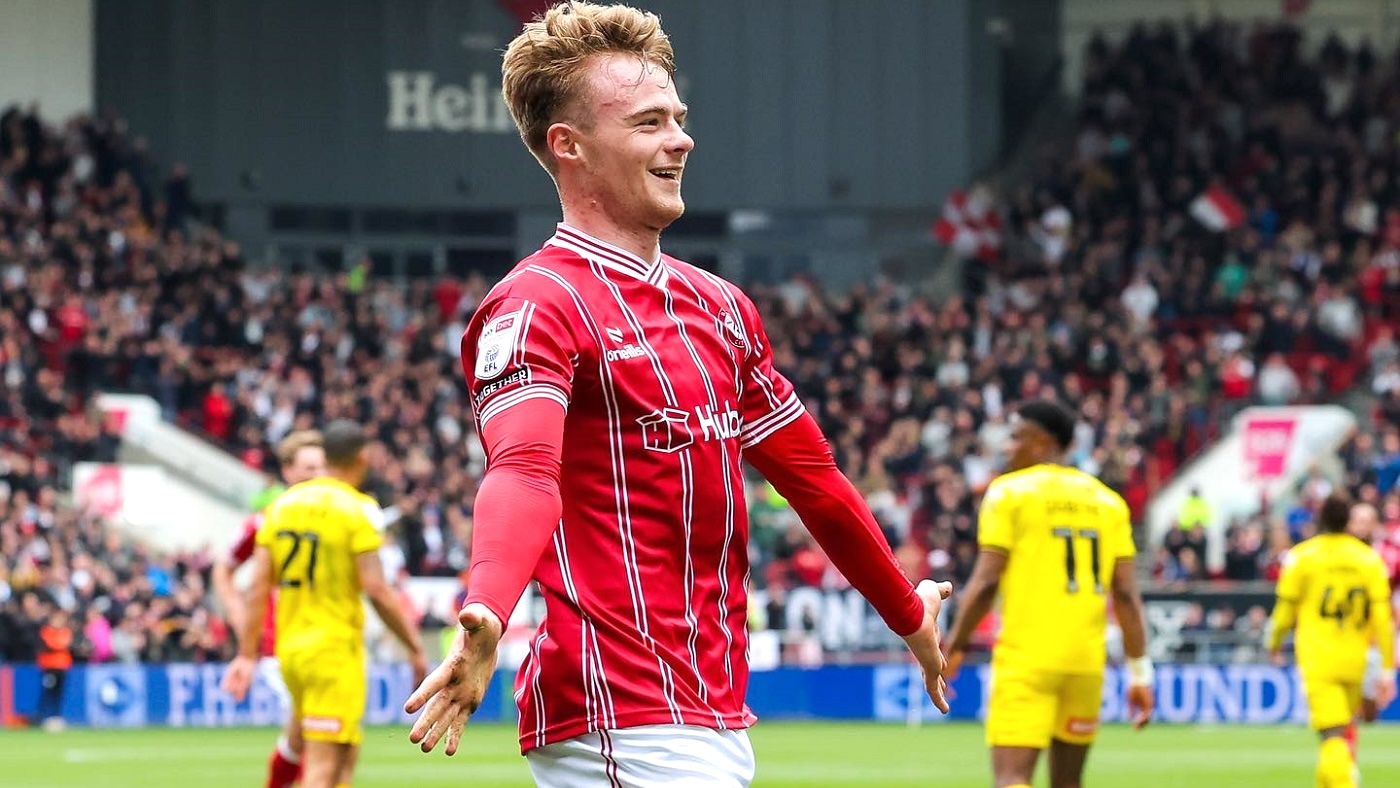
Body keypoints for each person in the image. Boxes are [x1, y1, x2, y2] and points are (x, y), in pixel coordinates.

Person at [403, 3, 953, 784]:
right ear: (569, 145)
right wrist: (488, 608)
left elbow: (815, 481)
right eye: (649, 122)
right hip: (617, 709)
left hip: (710, 709)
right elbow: (523, 470)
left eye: (679, 119)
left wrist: (906, 612)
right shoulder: (536, 304)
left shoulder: (721, 308)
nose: (681, 139)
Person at [944, 400, 1154, 788]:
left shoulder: (1009, 493)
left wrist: (953, 645)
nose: (1007, 447)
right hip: (1085, 663)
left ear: (1042, 442)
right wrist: (1140, 673)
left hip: (1027, 660)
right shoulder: (1108, 502)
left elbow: (987, 582)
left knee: (1012, 779)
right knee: (1069, 783)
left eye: (1015, 437)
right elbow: (1125, 594)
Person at [223, 420, 429, 788]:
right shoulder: (358, 509)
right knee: (321, 768)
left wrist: (246, 653)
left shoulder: (280, 508)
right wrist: (414, 647)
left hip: (291, 650)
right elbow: (376, 589)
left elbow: (258, 587)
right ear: (362, 458)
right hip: (332, 652)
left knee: (343, 757)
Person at [211, 429, 326, 788]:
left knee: (309, 735)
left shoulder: (337, 515)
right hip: (283, 643)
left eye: (321, 468)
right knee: (314, 731)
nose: (317, 476)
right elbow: (224, 568)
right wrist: (237, 613)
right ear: (287, 471)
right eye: (308, 468)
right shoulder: (267, 520)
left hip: (328, 639)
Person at [1270, 492, 1396, 788]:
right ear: (1348, 521)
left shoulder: (1303, 557)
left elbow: (1284, 612)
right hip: (1355, 659)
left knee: (1332, 736)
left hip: (1319, 659)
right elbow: (1383, 619)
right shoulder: (1368, 559)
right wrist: (1387, 668)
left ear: (1320, 520)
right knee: (1341, 730)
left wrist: (1273, 644)